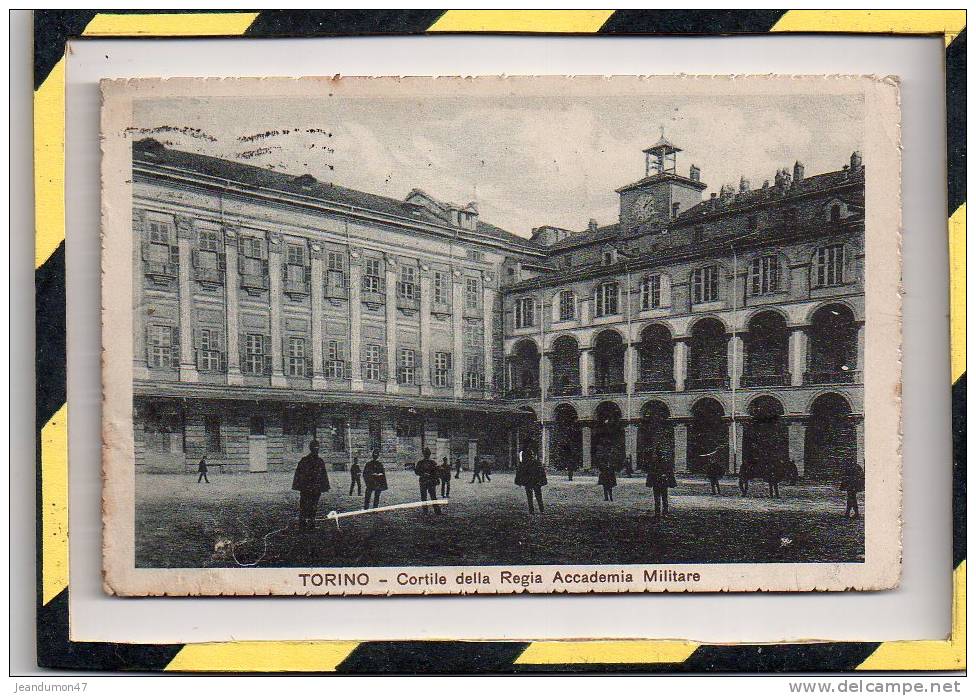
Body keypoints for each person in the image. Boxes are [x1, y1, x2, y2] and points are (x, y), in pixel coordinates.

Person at [292, 440, 330, 530]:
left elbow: (323, 475)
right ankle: (303, 523)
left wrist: (324, 486)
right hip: (307, 488)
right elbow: (299, 474)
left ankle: (311, 523)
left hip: (314, 488)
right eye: (314, 448)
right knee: (304, 505)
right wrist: (299, 486)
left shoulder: (319, 461)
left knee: (313, 506)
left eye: (317, 448)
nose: (316, 449)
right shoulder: (305, 460)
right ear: (311, 448)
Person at [515, 439, 547, 514]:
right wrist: (543, 481)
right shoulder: (537, 463)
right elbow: (542, 472)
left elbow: (519, 473)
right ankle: (541, 509)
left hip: (528, 482)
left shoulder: (524, 464)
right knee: (539, 496)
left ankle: (531, 510)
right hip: (536, 482)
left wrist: (519, 481)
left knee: (529, 496)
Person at [645, 447, 674, 521]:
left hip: (660, 483)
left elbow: (669, 472)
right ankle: (661, 513)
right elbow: (651, 473)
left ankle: (662, 513)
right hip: (659, 483)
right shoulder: (656, 463)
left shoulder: (658, 463)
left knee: (661, 498)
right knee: (661, 498)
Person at [415, 448, 443, 515]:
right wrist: (423, 474)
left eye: (427, 453)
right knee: (425, 496)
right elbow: (416, 471)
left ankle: (436, 510)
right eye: (425, 453)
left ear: (429, 454)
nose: (427, 455)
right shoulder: (421, 463)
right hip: (424, 481)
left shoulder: (432, 462)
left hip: (430, 481)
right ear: (424, 454)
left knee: (432, 496)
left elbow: (436, 472)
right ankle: (426, 511)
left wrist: (436, 478)